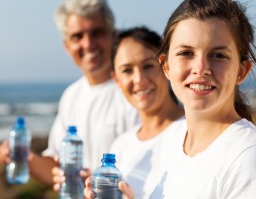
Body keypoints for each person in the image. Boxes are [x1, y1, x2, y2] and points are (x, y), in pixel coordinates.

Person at [85, 0, 256, 198]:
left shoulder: (247, 157)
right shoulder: (171, 139)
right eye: (186, 53)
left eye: (218, 55)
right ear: (166, 66)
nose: (200, 68)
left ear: (241, 71)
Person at [0, 0, 139, 185]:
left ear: (114, 35)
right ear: (67, 46)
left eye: (96, 33)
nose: (88, 43)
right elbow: (57, 168)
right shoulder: (72, 95)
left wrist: (98, 182)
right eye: (77, 36)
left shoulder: (136, 91)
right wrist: (23, 156)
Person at [53, 27, 185, 198]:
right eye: (127, 70)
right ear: (116, 79)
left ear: (167, 67)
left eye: (148, 66)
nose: (139, 79)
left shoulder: (193, 131)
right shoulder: (122, 145)